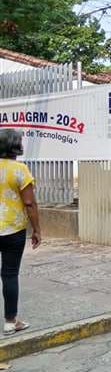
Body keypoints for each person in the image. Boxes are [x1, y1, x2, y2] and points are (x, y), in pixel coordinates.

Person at [0, 129, 41, 336]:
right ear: (16, 146)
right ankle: (10, 321)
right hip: (12, 231)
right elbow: (29, 203)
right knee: (9, 274)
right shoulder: (19, 170)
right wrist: (37, 229)